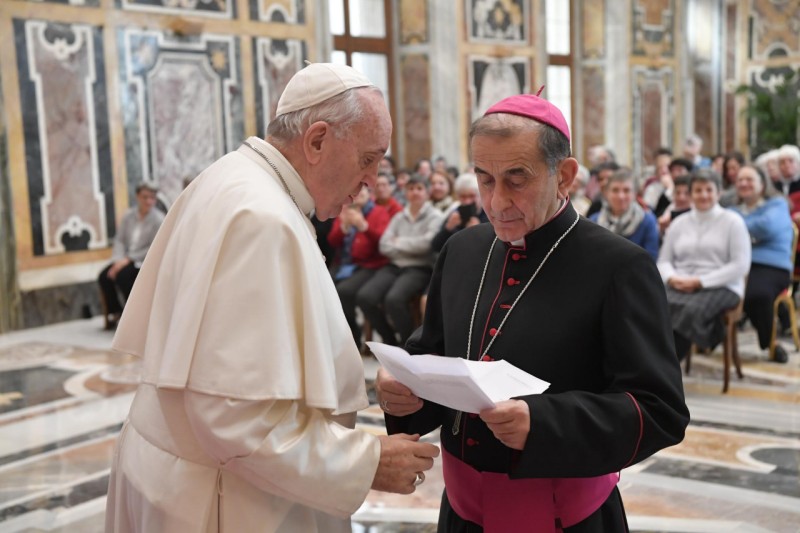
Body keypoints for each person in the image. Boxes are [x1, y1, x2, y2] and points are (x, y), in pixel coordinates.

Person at [104, 63, 439, 532]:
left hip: (177, 476)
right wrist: (366, 461)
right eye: (368, 158)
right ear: (317, 141)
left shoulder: (233, 178)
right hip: (225, 500)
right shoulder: (262, 218)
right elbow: (234, 416)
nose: (371, 179)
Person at [376, 93, 689, 531]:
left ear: (565, 176)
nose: (496, 202)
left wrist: (543, 423)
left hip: (565, 520)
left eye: (516, 179)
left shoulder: (620, 266)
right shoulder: (461, 250)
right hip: (462, 515)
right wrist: (402, 390)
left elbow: (659, 410)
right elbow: (433, 354)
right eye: (485, 179)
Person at [657, 169, 752, 362]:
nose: (703, 195)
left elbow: (740, 265)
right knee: (654, 303)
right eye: (698, 190)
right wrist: (672, 278)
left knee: (690, 310)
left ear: (719, 193)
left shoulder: (733, 222)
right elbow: (664, 260)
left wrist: (700, 281)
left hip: (722, 285)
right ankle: (655, 361)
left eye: (709, 190)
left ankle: (667, 365)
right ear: (691, 194)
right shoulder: (679, 223)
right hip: (680, 282)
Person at [359, 175, 443, 346]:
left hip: (419, 267)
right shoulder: (399, 216)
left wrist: (398, 242)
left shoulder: (435, 216)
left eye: (419, 188)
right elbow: (384, 244)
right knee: (365, 297)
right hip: (394, 265)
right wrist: (409, 245)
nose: (415, 192)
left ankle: (409, 344)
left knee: (394, 299)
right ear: (405, 193)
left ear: (427, 193)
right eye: (411, 189)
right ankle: (389, 340)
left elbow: (426, 245)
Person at [729, 164, 793, 363]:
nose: (744, 183)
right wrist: (749, 232)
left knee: (756, 294)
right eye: (740, 180)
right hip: (739, 264)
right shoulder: (732, 210)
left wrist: (736, 229)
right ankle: (711, 338)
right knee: (717, 289)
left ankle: (770, 344)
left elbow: (767, 227)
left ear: (762, 184)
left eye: (749, 179)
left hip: (771, 265)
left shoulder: (777, 205)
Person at [328, 186, 391, 348]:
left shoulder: (379, 212)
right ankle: (337, 336)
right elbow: (332, 241)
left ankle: (354, 336)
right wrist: (344, 227)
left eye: (363, 191)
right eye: (356, 191)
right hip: (344, 263)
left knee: (344, 292)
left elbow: (383, 243)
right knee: (323, 288)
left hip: (370, 264)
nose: (358, 194)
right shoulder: (344, 210)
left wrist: (364, 226)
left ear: (370, 194)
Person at [97, 182, 164, 329]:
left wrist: (128, 259)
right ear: (138, 197)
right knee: (104, 276)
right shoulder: (128, 216)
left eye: (152, 198)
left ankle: (134, 316)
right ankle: (116, 311)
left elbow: (154, 247)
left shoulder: (159, 219)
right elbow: (120, 240)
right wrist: (118, 260)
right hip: (124, 259)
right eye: (145, 197)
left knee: (123, 276)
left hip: (143, 261)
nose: (148, 201)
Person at [590, 167, 659, 260]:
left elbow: (651, 259)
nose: (621, 196)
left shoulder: (647, 221)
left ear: (634, 193)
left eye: (626, 190)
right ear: (606, 193)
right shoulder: (594, 221)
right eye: (615, 190)